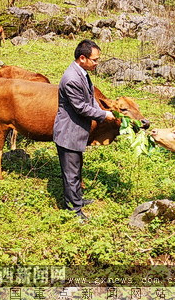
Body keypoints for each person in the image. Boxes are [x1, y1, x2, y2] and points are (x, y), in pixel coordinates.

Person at [53, 39, 114, 220]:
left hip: (77, 131)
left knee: (77, 168)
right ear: (82, 58)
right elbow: (81, 107)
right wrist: (103, 116)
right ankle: (74, 210)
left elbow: (91, 98)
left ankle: (77, 198)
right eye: (94, 60)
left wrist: (101, 110)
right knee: (71, 173)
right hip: (69, 132)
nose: (96, 63)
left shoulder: (82, 73)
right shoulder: (71, 78)